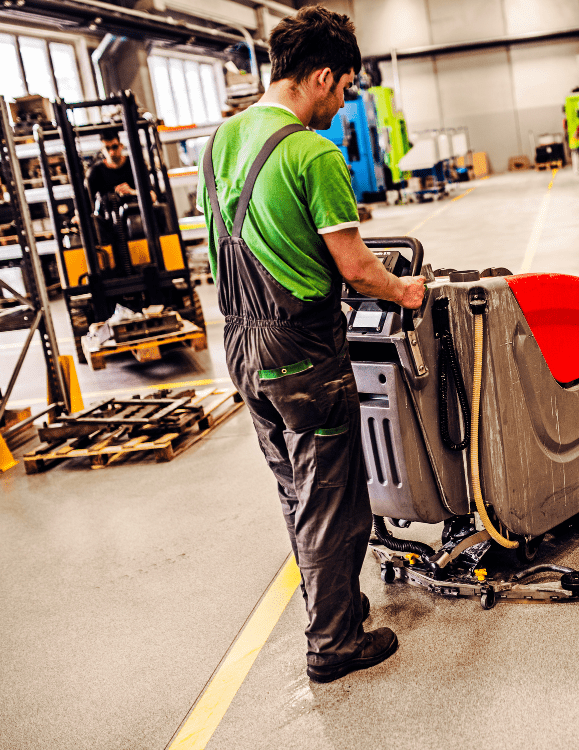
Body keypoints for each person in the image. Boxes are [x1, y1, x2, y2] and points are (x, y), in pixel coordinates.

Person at [198, 5, 425, 684]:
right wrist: (406, 293)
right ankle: (334, 641)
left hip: (240, 345)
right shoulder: (312, 151)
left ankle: (336, 604)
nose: (345, 99)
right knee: (332, 497)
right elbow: (357, 268)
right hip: (301, 352)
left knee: (297, 491)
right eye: (346, 86)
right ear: (321, 76)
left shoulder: (219, 142)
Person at [85, 130, 138, 203]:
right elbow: (86, 203)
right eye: (107, 148)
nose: (111, 152)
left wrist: (132, 192)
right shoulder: (95, 172)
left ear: (121, 146)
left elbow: (153, 196)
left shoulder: (135, 165)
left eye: (115, 147)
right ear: (102, 150)